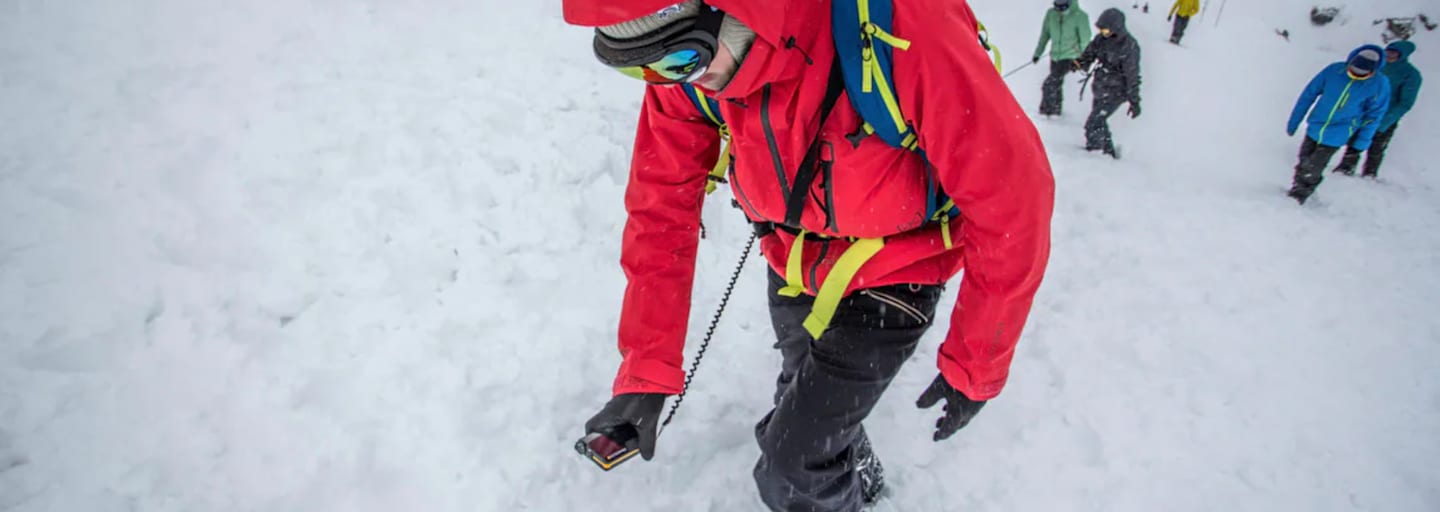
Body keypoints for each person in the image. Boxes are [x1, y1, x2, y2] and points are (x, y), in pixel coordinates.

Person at [563, 1, 1055, 510]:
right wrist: (646, 370)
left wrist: (975, 364)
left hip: (898, 270)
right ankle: (857, 478)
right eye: (639, 70)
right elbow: (660, 210)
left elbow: (1014, 200)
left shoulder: (905, 27)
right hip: (794, 261)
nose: (669, 81)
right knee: (801, 398)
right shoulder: (687, 72)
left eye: (678, 61)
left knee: (792, 467)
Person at [1286, 46, 1391, 204]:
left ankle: (1300, 194)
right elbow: (1309, 94)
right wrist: (1294, 121)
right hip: (1316, 124)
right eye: (1353, 70)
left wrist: (1362, 141)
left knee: (1314, 165)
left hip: (1340, 131)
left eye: (1362, 74)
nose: (1356, 74)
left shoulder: (1379, 84)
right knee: (1304, 159)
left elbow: (1374, 116)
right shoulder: (1334, 71)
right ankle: (1298, 186)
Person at [1333, 41, 1423, 178]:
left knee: (1377, 146)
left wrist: (1386, 121)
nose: (1389, 55)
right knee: (1355, 140)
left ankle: (1370, 174)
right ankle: (1346, 167)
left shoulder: (1411, 74)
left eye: (1394, 53)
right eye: (1388, 52)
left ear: (1403, 55)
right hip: (1364, 111)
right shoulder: (1377, 66)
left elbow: (1405, 103)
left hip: (1387, 116)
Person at [1075, 8, 1142, 159]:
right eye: (1101, 30)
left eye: (1106, 30)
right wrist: (1079, 63)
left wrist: (1134, 101)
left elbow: (1132, 75)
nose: (1103, 33)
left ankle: (1096, 153)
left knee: (1094, 122)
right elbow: (1089, 54)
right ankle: (1107, 152)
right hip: (1100, 87)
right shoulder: (1101, 40)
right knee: (1099, 121)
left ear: (1116, 28)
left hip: (1117, 92)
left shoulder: (1129, 46)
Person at [1033, 0, 1093, 117]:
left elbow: (1085, 40)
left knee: (1050, 83)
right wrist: (1038, 53)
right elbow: (1045, 34)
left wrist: (1083, 59)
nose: (1060, 10)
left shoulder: (1080, 17)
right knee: (1056, 83)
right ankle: (1055, 111)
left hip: (1070, 57)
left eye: (1063, 8)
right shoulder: (1051, 14)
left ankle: (1045, 111)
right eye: (1057, 7)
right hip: (1055, 56)